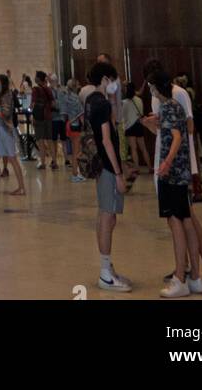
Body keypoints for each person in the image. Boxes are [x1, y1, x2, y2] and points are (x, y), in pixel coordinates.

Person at [142, 59, 202, 289]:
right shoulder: (160, 101)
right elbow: (166, 131)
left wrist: (173, 161)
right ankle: (186, 267)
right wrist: (152, 125)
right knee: (179, 219)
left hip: (178, 166)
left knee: (186, 219)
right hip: (167, 164)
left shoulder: (178, 96)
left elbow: (185, 131)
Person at [148, 70, 202, 298]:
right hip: (181, 172)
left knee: (175, 221)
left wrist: (167, 163)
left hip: (171, 174)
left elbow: (177, 137)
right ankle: (195, 278)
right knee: (187, 220)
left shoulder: (169, 106)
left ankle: (180, 277)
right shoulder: (174, 107)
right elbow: (173, 133)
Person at [85, 62, 131, 293]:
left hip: (100, 166)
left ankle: (107, 267)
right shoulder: (101, 104)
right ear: (105, 79)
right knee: (107, 215)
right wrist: (119, 173)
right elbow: (106, 140)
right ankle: (105, 273)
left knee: (106, 215)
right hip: (108, 167)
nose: (116, 84)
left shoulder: (91, 101)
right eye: (114, 79)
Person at [122, 82, 150, 173]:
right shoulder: (139, 100)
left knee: (133, 148)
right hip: (139, 125)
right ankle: (150, 167)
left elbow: (123, 116)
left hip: (130, 127)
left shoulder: (124, 103)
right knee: (143, 148)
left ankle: (137, 168)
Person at [60, 78, 85, 180]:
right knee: (76, 151)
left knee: (73, 151)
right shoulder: (76, 98)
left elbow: (63, 113)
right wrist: (84, 126)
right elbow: (81, 114)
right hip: (75, 125)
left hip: (68, 125)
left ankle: (75, 172)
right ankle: (75, 173)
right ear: (75, 86)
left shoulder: (65, 97)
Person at [30, 71, 55, 169]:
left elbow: (32, 104)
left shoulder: (35, 90)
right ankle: (54, 161)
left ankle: (43, 162)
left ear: (38, 79)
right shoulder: (48, 89)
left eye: (36, 77)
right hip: (48, 117)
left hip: (39, 117)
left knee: (40, 140)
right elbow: (53, 103)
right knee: (50, 140)